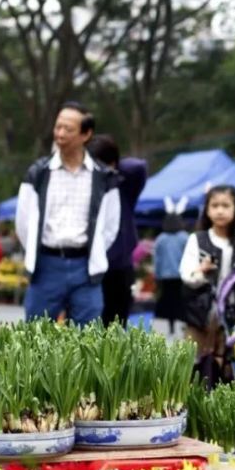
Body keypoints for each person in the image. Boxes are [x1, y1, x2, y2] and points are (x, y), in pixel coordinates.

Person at [16, 102, 121, 325]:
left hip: (85, 268)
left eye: (68, 129)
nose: (60, 134)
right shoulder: (39, 173)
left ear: (86, 134)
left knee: (87, 339)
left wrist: (94, 253)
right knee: (34, 338)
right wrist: (37, 251)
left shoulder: (104, 178)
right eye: (58, 127)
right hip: (46, 265)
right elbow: (23, 223)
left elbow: (111, 227)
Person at [179, 185, 235, 368]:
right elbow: (187, 275)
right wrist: (201, 270)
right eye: (215, 205)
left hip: (233, 315)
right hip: (199, 315)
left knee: (228, 365)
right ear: (207, 210)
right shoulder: (197, 239)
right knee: (192, 364)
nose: (220, 210)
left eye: (226, 205)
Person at [88, 134, 148, 326]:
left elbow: (139, 166)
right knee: (89, 323)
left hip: (119, 266)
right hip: (90, 266)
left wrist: (113, 169)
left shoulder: (124, 185)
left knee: (115, 324)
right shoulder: (85, 186)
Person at [153, 212, 189, 335]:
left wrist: (156, 276)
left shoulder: (161, 238)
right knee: (181, 300)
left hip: (165, 276)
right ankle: (182, 325)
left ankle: (169, 326)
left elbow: (156, 259)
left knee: (167, 300)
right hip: (181, 275)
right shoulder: (184, 237)